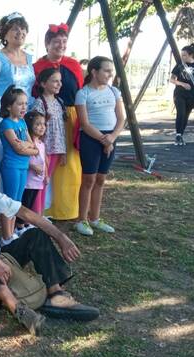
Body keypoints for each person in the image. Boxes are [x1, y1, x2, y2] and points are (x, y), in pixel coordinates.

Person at [0, 155, 99, 336]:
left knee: (35, 235)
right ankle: (19, 309)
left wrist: (60, 237)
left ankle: (56, 294)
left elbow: (23, 212)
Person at [33, 23, 84, 221]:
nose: (61, 45)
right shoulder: (38, 67)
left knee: (68, 164)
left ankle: (65, 209)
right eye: (56, 42)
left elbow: (79, 91)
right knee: (42, 163)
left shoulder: (73, 65)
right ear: (47, 43)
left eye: (64, 41)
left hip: (69, 116)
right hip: (45, 117)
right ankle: (41, 209)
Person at [74, 56, 125, 236]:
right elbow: (85, 124)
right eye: (106, 70)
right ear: (94, 72)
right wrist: (105, 140)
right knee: (88, 180)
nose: (110, 74)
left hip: (110, 138)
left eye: (111, 70)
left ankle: (95, 218)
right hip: (91, 139)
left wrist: (112, 137)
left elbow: (121, 118)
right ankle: (82, 220)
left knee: (101, 180)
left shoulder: (114, 91)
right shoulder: (83, 93)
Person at [0, 87, 38, 245]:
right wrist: (28, 148)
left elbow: (32, 146)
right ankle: (6, 236)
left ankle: (12, 231)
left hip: (23, 166)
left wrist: (28, 147)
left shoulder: (22, 122)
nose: (24, 107)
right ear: (9, 106)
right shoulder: (6, 124)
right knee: (9, 201)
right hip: (11, 167)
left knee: (17, 202)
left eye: (26, 104)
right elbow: (18, 149)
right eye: (20, 104)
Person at [0, 12, 35, 127]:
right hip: (2, 113)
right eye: (15, 29)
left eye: (23, 28)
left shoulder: (29, 58)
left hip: (25, 111)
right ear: (5, 35)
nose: (20, 32)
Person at [31, 68, 66, 215]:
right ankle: (36, 215)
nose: (59, 84)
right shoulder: (39, 103)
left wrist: (63, 151)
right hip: (45, 149)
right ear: (44, 84)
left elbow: (61, 128)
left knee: (46, 180)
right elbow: (37, 129)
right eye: (55, 81)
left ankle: (40, 214)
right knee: (40, 181)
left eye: (60, 81)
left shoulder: (59, 102)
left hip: (57, 148)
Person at [16, 111, 48, 233]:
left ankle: (26, 223)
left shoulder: (41, 144)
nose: (42, 127)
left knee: (32, 202)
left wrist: (46, 175)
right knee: (25, 201)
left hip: (38, 181)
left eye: (43, 124)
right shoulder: (29, 143)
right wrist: (33, 167)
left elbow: (43, 161)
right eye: (38, 124)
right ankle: (19, 225)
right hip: (29, 180)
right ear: (30, 126)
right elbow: (25, 159)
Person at [170, 44, 194, 146]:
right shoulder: (180, 65)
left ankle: (180, 135)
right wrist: (182, 83)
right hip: (180, 94)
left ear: (191, 55)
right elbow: (172, 79)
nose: (182, 57)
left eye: (184, 55)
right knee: (181, 114)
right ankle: (178, 135)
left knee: (186, 116)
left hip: (193, 96)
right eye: (182, 55)